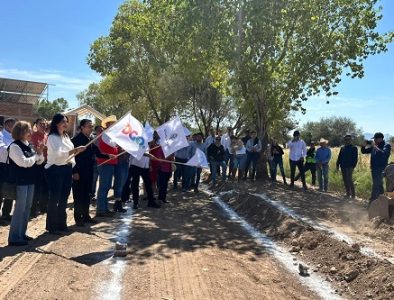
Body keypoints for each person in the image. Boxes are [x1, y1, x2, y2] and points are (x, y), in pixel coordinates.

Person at [45, 114, 86, 234]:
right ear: (56, 123)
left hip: (66, 169)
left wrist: (75, 155)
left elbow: (70, 154)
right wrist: (76, 150)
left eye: (66, 121)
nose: (65, 123)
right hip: (55, 169)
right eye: (63, 121)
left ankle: (61, 224)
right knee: (55, 198)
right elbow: (59, 154)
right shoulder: (52, 137)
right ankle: (52, 226)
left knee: (64, 198)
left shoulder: (66, 136)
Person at [7, 121, 45, 245]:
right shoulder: (14, 146)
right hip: (20, 182)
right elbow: (24, 163)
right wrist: (35, 156)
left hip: (30, 181)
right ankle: (14, 238)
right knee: (19, 209)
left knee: (26, 208)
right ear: (20, 132)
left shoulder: (28, 145)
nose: (30, 133)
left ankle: (21, 234)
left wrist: (39, 153)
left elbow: (40, 161)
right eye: (27, 130)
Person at [71, 119, 113, 226]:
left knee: (87, 194)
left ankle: (86, 216)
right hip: (79, 172)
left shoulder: (90, 140)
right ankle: (78, 218)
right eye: (88, 126)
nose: (90, 128)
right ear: (82, 128)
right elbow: (72, 158)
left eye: (91, 126)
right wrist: (74, 172)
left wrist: (108, 156)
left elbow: (97, 152)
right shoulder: (75, 140)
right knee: (79, 196)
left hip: (89, 171)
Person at [96, 115, 119, 217]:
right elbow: (112, 146)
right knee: (104, 187)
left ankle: (103, 208)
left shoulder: (109, 135)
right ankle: (101, 209)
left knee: (106, 186)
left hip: (109, 163)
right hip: (105, 163)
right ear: (108, 124)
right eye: (113, 123)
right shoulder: (105, 135)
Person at [361, 132, 391, 203]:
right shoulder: (375, 146)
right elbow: (364, 151)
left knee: (376, 186)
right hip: (374, 168)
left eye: (375, 139)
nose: (374, 140)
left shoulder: (386, 145)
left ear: (380, 138)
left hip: (381, 169)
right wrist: (363, 145)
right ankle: (382, 202)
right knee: (379, 186)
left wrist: (374, 146)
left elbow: (384, 154)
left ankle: (372, 203)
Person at [30, 118, 48, 216]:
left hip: (46, 164)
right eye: (41, 124)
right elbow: (33, 149)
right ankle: (33, 209)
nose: (44, 126)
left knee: (45, 187)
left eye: (45, 124)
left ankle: (43, 207)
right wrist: (41, 148)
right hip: (36, 165)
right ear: (36, 125)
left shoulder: (46, 136)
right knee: (36, 188)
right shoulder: (32, 136)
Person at [0, 118, 17, 222]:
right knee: (1, 191)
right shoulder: (1, 135)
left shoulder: (14, 137)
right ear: (8, 125)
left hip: (11, 166)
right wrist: (15, 149)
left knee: (9, 190)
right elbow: (1, 149)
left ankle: (6, 214)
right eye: (15, 126)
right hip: (2, 166)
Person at [91, 125, 104, 201]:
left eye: (102, 130)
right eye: (99, 130)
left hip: (103, 162)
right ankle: (92, 194)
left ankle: (101, 195)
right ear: (95, 131)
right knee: (94, 179)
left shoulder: (105, 139)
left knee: (103, 180)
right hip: (95, 162)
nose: (101, 131)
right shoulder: (93, 139)